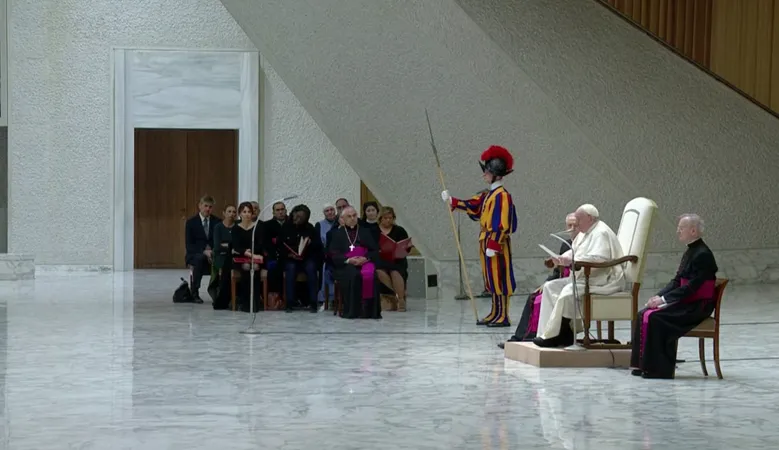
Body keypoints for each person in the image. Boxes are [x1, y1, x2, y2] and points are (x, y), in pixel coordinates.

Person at [630, 214, 718, 379]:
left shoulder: (703, 254)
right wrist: (658, 296)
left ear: (693, 230)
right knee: (643, 313)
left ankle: (659, 369)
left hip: (698, 306)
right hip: (688, 301)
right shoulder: (691, 250)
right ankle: (644, 365)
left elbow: (691, 287)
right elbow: (677, 281)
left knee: (657, 319)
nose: (678, 231)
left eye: (681, 228)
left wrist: (664, 300)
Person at [441, 145, 518, 327]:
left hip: (495, 243)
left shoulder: (502, 196)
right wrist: (452, 201)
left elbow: (502, 223)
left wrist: (494, 244)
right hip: (486, 242)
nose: (484, 174)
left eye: (487, 171)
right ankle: (495, 312)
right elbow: (474, 206)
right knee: (490, 279)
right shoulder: (489, 194)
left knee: (500, 278)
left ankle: (503, 315)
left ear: (495, 174)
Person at [533, 204, 625, 347]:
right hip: (582, 278)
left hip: (600, 280)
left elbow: (599, 258)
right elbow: (574, 250)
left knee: (566, 293)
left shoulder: (601, 232)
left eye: (579, 219)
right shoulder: (585, 231)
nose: (576, 224)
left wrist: (572, 260)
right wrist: (560, 258)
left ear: (590, 218)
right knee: (550, 287)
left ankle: (555, 336)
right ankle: (555, 334)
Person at [498, 213, 577, 349]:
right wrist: (546, 282)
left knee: (540, 300)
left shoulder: (584, 243)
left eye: (575, 225)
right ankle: (520, 338)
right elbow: (557, 272)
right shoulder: (566, 245)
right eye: (569, 225)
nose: (572, 228)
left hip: (573, 286)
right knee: (534, 297)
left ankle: (541, 337)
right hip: (560, 283)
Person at [329, 206, 382, 319]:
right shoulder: (337, 234)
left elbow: (374, 250)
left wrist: (366, 258)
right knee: (354, 274)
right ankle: (353, 311)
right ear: (343, 219)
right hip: (345, 265)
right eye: (349, 216)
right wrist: (348, 260)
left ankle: (369, 311)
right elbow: (333, 254)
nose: (352, 218)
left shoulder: (365, 231)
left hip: (364, 263)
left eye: (354, 215)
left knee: (372, 275)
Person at [280, 204, 323, 312]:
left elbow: (318, 247)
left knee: (311, 268)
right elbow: (280, 246)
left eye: (300, 218)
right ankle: (289, 303)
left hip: (307, 258)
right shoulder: (286, 227)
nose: (297, 219)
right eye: (296, 216)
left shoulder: (310, 228)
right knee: (290, 268)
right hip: (291, 258)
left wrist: (310, 243)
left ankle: (313, 303)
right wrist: (290, 254)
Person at [376, 206, 413, 312]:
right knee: (378, 271)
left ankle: (400, 300)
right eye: (385, 218)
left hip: (397, 259)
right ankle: (399, 293)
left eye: (390, 218)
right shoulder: (374, 230)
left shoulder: (400, 230)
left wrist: (407, 246)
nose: (388, 220)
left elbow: (406, 248)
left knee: (395, 271)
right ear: (380, 218)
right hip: (381, 259)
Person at [184, 195, 220, 303]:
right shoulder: (191, 223)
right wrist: (204, 251)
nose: (207, 209)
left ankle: (218, 292)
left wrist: (213, 252)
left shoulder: (217, 222)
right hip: (195, 253)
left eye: (210, 207)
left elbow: (219, 241)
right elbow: (189, 245)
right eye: (205, 206)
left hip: (213, 252)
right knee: (200, 259)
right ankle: (194, 292)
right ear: (199, 206)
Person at [232, 202, 264, 313]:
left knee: (254, 267)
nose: (247, 214)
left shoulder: (257, 227)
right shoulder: (236, 228)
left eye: (249, 212)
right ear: (240, 213)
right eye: (244, 212)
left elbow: (260, 244)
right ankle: (245, 303)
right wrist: (248, 253)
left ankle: (255, 303)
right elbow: (236, 246)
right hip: (240, 257)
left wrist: (253, 254)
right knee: (246, 267)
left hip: (255, 257)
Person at [210, 204, 237, 310]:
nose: (232, 214)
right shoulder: (218, 227)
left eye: (234, 212)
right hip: (220, 256)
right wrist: (231, 246)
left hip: (233, 255)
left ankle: (234, 296)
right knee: (226, 266)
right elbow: (217, 246)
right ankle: (223, 297)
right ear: (224, 213)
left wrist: (226, 245)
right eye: (229, 211)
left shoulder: (237, 226)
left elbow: (238, 244)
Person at [315, 204, 338, 306]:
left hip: (338, 254)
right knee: (324, 266)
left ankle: (336, 297)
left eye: (332, 209)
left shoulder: (340, 223)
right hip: (324, 255)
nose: (330, 212)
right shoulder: (319, 225)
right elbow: (318, 243)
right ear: (324, 213)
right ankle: (325, 298)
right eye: (327, 211)